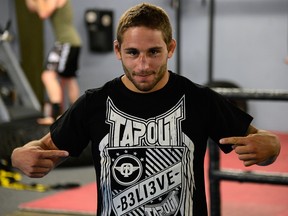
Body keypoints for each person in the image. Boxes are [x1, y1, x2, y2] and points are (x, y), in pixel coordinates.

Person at [11, 3, 281, 216]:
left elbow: (261, 142)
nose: (143, 65)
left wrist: (272, 147)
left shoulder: (199, 99)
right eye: (132, 53)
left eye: (154, 52)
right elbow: (43, 150)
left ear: (170, 48)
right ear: (117, 50)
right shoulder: (94, 103)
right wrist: (18, 155)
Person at [24, 0, 82, 124]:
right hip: (71, 42)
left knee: (47, 75)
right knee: (68, 78)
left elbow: (43, 13)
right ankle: (77, 116)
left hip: (66, 42)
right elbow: (32, 7)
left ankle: (55, 115)